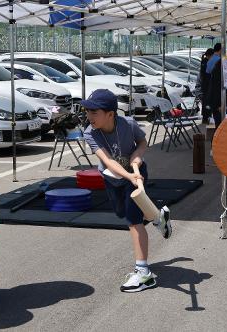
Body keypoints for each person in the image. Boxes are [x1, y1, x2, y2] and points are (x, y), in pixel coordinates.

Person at [82, 89, 172, 293]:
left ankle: (144, 273)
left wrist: (137, 157)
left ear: (110, 114)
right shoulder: (90, 132)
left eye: (94, 112)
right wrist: (128, 175)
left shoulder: (128, 124)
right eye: (88, 112)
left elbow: (142, 142)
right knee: (122, 213)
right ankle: (159, 218)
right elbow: (107, 161)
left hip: (136, 174)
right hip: (114, 178)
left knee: (134, 221)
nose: (89, 117)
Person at [200, 48, 215, 123]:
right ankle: (205, 117)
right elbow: (206, 74)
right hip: (207, 85)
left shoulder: (205, 61)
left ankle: (207, 117)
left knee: (207, 102)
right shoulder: (205, 62)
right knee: (206, 102)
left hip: (206, 84)